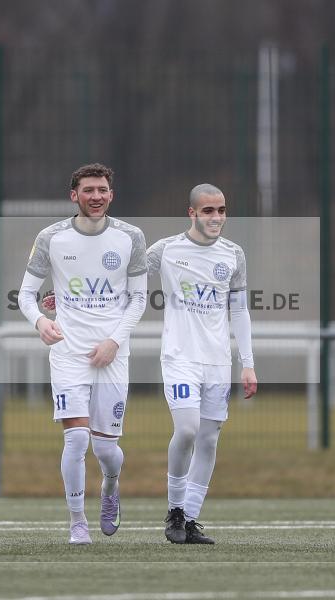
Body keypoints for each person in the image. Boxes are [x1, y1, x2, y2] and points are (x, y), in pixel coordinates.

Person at [17, 163, 147, 545]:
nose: (96, 196)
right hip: (68, 352)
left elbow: (138, 299)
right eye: (88, 190)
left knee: (106, 449)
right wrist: (41, 322)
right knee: (75, 441)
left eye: (102, 190)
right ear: (74, 195)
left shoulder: (131, 237)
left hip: (112, 355)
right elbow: (26, 294)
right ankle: (78, 524)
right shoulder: (51, 237)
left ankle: (110, 486)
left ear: (111, 194)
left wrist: (113, 342)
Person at [146, 183, 257, 544]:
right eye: (208, 210)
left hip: (217, 362)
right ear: (191, 213)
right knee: (189, 429)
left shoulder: (233, 255)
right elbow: (125, 278)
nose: (217, 217)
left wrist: (247, 363)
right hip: (179, 358)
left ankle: (189, 520)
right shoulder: (165, 250)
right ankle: (174, 509)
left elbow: (239, 311)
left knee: (209, 439)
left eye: (222, 210)